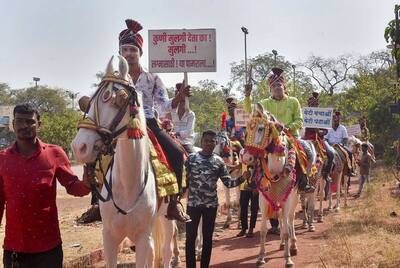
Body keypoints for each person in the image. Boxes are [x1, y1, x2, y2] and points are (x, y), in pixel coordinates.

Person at [0, 103, 95, 268]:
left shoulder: (54, 153)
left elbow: (72, 186)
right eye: (20, 121)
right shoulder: (3, 159)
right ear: (13, 125)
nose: (25, 126)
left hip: (48, 249)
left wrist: (87, 184)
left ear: (39, 125)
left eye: (30, 121)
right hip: (15, 249)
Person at [119, 19, 191, 222]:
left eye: (133, 49)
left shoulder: (152, 78)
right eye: (125, 49)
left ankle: (175, 203)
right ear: (120, 53)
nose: (129, 53)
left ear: (140, 53)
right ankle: (97, 204)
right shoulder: (114, 78)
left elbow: (164, 105)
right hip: (119, 126)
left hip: (148, 122)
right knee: (96, 151)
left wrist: (179, 96)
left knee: (177, 154)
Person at [185, 130, 246, 268]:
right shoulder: (191, 159)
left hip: (210, 207)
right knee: (190, 240)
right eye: (206, 140)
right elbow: (184, 181)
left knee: (207, 240)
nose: (208, 143)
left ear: (215, 143)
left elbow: (228, 183)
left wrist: (243, 178)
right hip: (193, 205)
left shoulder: (218, 162)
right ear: (201, 142)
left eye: (212, 141)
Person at [303, 92, 335, 183]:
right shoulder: (305, 115)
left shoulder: (322, 115)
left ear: (318, 105)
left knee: (331, 153)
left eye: (315, 104)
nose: (313, 106)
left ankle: (326, 174)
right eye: (311, 104)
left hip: (319, 139)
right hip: (306, 139)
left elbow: (325, 131)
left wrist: (319, 131)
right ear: (309, 105)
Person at [325, 111, 356, 176]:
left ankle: (350, 170)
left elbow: (345, 138)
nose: (336, 122)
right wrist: (328, 144)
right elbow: (326, 139)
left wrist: (341, 144)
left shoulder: (343, 128)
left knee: (349, 153)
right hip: (330, 145)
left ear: (339, 120)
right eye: (334, 120)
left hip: (339, 145)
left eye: (337, 120)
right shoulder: (328, 128)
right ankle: (325, 170)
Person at [170, 83, 196, 154]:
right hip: (172, 140)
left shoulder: (191, 114)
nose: (181, 99)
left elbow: (188, 131)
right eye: (179, 95)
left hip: (186, 142)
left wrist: (176, 133)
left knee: (192, 158)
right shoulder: (171, 112)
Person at [236, 168, 259, 238]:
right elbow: (241, 165)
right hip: (244, 186)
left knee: (254, 208)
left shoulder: (257, 157)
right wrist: (234, 167)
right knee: (243, 207)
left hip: (255, 186)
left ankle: (251, 229)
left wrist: (257, 186)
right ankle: (243, 228)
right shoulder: (242, 156)